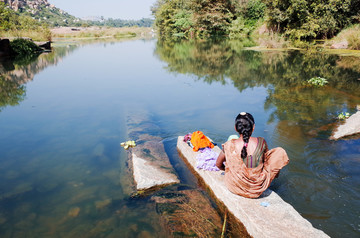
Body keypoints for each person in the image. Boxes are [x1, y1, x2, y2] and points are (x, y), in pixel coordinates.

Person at [216, 112, 289, 198]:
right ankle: (270, 181)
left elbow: (218, 164)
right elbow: (266, 161)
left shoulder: (229, 145)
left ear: (236, 128)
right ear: (253, 127)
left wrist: (232, 171)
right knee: (279, 152)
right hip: (256, 189)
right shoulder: (261, 142)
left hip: (234, 187)